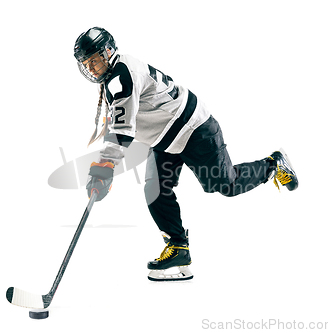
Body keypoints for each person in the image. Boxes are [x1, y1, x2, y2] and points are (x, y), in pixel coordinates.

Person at [73, 27, 299, 281]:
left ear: (108, 51)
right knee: (155, 189)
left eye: (93, 60)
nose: (90, 68)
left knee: (226, 184)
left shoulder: (121, 76)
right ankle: (178, 248)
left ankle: (272, 165)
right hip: (166, 138)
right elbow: (120, 124)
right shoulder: (116, 75)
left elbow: (122, 132)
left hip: (194, 129)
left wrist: (104, 169)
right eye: (85, 63)